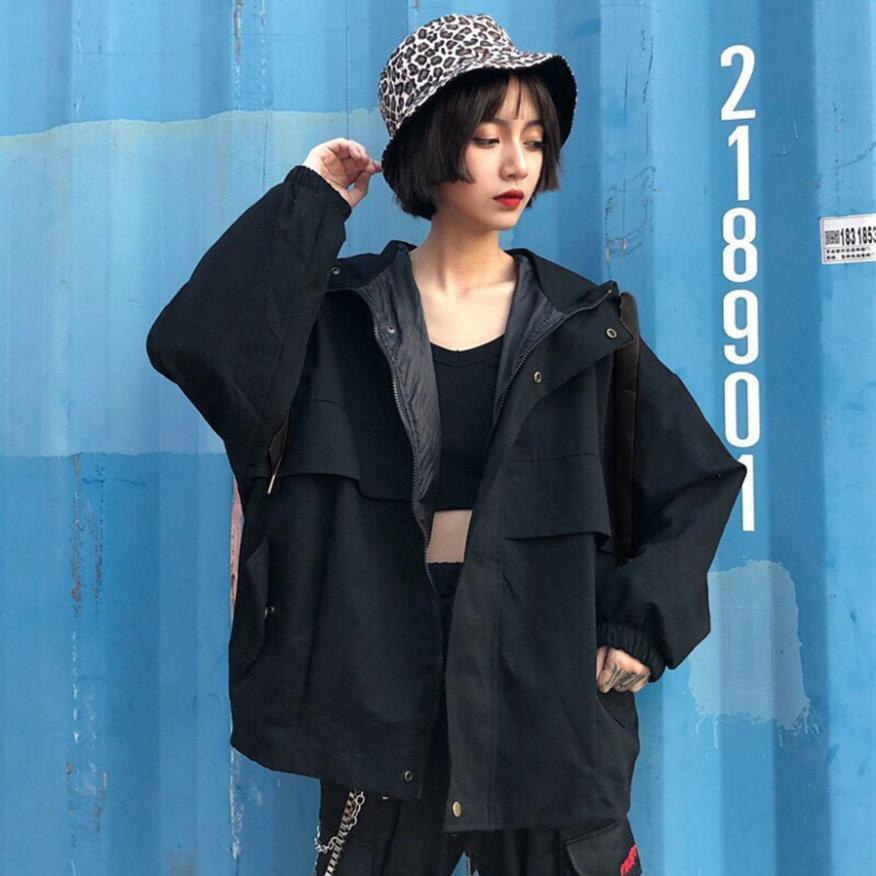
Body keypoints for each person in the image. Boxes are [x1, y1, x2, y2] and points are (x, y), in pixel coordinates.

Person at [146, 13, 747, 876]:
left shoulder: (584, 328)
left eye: (533, 140)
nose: (517, 164)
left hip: (547, 679)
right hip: (381, 673)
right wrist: (310, 205)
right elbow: (201, 346)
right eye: (488, 137)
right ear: (431, 145)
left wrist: (638, 627)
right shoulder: (341, 319)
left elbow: (699, 480)